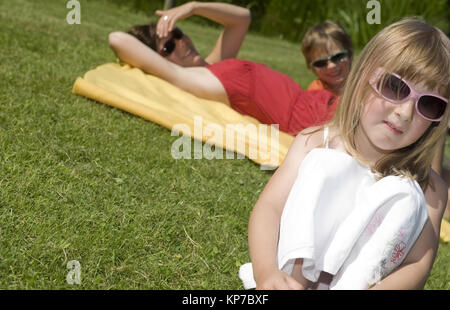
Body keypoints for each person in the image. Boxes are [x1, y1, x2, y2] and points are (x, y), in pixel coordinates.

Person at [244, 17, 449, 290]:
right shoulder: (314, 142)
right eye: (396, 87)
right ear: (363, 77)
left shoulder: (429, 189)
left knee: (407, 196)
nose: (405, 113)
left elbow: (418, 265)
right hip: (287, 282)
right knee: (324, 165)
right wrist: (266, 271)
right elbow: (270, 207)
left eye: (430, 104)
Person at [108, 6, 352, 136]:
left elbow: (242, 19)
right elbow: (117, 38)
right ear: (158, 59)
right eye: (169, 46)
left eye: (179, 34)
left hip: (325, 102)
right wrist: (163, 63)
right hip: (318, 119)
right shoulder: (195, 80)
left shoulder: (214, 64)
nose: (181, 42)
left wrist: (192, 7)